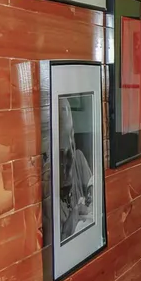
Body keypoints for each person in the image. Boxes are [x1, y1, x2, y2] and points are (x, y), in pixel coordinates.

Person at [58, 96, 94, 240]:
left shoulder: (78, 159)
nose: (70, 150)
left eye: (71, 136)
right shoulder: (48, 181)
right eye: (63, 137)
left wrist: (92, 193)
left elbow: (94, 192)